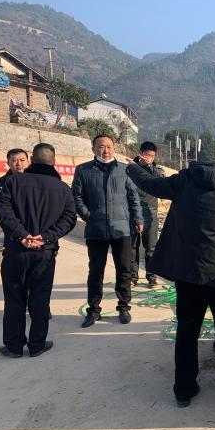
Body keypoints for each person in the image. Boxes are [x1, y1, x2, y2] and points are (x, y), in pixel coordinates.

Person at [126, 142, 215, 407]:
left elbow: (152, 185)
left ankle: (184, 390)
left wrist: (133, 167)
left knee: (187, 331)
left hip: (188, 272)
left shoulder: (187, 177)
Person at [0, 143, 76, 358]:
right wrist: (45, 237)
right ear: (53, 161)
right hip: (45, 252)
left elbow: (3, 212)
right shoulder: (62, 188)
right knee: (40, 298)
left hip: (16, 250)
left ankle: (13, 346)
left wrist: (22, 235)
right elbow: (69, 219)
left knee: (14, 299)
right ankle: (37, 345)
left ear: (31, 159)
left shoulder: (11, 182)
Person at [72, 135, 143, 328]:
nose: (106, 150)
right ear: (93, 149)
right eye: (101, 147)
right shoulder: (84, 170)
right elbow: (77, 197)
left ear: (114, 148)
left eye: (109, 147)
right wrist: (89, 216)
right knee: (96, 271)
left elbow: (133, 197)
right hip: (96, 229)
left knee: (124, 269)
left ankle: (124, 306)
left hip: (122, 228)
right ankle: (94, 309)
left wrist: (138, 219)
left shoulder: (124, 170)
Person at [130, 141, 165, 288]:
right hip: (132, 212)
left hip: (150, 213)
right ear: (140, 153)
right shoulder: (130, 168)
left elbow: (160, 183)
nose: (149, 158)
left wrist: (150, 166)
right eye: (147, 155)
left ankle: (151, 276)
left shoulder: (155, 170)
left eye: (152, 156)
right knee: (132, 246)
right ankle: (132, 276)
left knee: (151, 246)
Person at [0, 148, 30, 213]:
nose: (19, 164)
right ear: (8, 163)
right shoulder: (1, 182)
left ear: (28, 162)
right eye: (14, 161)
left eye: (22, 160)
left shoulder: (36, 180)